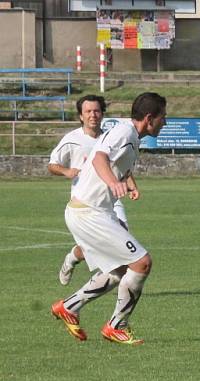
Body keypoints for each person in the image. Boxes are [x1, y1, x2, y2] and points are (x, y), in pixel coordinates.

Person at [51, 92, 167, 345]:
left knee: (119, 270)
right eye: (162, 117)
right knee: (142, 263)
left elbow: (116, 163)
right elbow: (100, 158)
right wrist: (113, 182)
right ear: (149, 118)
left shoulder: (130, 136)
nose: (165, 122)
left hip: (91, 212)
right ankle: (117, 326)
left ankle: (69, 307)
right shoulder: (124, 133)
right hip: (89, 212)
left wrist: (128, 183)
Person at [48, 95, 135, 286]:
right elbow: (52, 165)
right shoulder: (72, 139)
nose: (93, 115)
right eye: (88, 111)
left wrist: (130, 183)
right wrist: (66, 171)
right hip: (85, 201)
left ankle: (121, 283)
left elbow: (119, 164)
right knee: (94, 247)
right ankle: (73, 258)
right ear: (81, 116)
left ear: (102, 114)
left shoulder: (110, 137)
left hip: (112, 197)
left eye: (96, 111)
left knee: (120, 236)